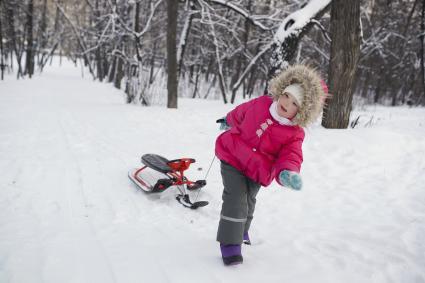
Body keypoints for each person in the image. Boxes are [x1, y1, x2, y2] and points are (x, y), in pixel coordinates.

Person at [215, 64, 328, 265]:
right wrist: (228, 119)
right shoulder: (261, 104)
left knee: (249, 201)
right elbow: (241, 112)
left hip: (257, 170)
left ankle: (241, 232)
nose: (286, 102)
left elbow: (291, 156)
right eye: (286, 95)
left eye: (294, 103)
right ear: (281, 90)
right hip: (233, 155)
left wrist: (287, 173)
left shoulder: (294, 134)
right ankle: (230, 244)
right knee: (236, 198)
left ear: (301, 112)